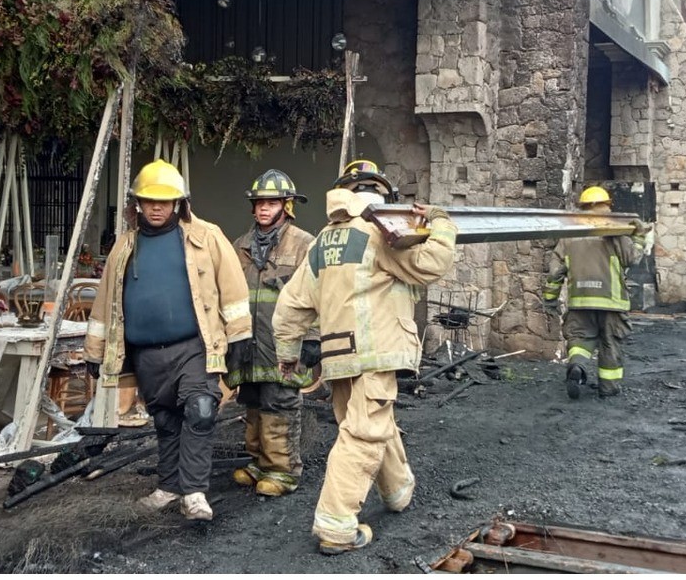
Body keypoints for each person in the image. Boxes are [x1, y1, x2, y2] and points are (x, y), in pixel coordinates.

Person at [272, 159, 457, 555]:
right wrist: (441, 222)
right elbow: (432, 264)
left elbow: (292, 303)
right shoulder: (380, 228)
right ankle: (336, 526)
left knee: (367, 423)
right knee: (364, 433)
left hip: (339, 354)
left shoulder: (324, 239)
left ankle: (398, 490)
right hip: (376, 351)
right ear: (382, 195)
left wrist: (287, 353)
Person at [82, 159, 251, 521]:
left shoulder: (206, 237)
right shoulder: (124, 247)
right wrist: (95, 351)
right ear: (137, 204)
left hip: (194, 346)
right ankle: (169, 485)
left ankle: (194, 492)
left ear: (179, 203)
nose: (156, 208)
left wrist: (240, 338)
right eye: (148, 201)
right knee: (165, 420)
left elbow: (233, 288)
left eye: (165, 201)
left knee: (200, 410)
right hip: (146, 354)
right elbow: (105, 300)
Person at [226, 169, 320, 497]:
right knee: (252, 402)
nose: (264, 208)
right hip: (250, 344)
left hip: (283, 343)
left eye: (272, 202)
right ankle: (259, 462)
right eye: (259, 203)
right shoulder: (240, 246)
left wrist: (312, 338)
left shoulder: (305, 245)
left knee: (279, 404)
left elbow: (317, 293)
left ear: (287, 206)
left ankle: (282, 471)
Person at [542, 186, 650, 400]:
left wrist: (550, 299)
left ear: (582, 207)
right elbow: (632, 258)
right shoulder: (613, 229)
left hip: (580, 300)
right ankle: (608, 388)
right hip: (611, 301)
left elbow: (555, 272)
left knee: (580, 340)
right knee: (610, 343)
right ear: (607, 205)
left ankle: (577, 367)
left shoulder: (570, 234)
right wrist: (638, 237)